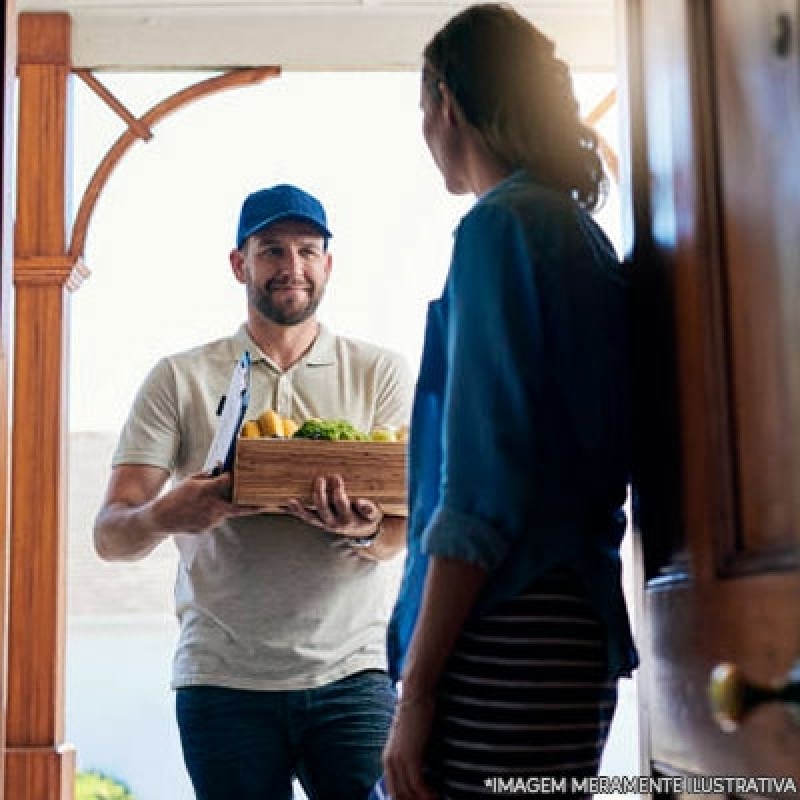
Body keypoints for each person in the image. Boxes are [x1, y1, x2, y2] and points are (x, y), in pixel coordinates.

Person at [381, 5, 638, 799]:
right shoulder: (577, 234)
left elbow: (478, 496)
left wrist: (417, 693)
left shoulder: (497, 231)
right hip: (574, 626)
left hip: (504, 629)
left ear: (445, 104)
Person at [93, 183, 413, 800]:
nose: (291, 266)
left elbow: (403, 526)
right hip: (221, 680)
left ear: (328, 264)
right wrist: (169, 513)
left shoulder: (381, 372)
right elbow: (111, 534)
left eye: (307, 250)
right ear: (240, 264)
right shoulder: (180, 377)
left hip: (354, 674)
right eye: (271, 251)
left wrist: (363, 529)